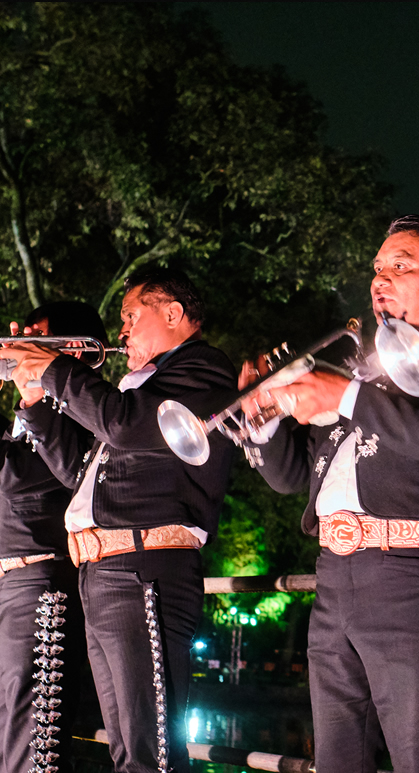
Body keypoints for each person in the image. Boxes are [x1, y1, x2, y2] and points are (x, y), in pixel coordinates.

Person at [240, 215, 419, 773]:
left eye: (401, 265)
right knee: (337, 760)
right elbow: (293, 480)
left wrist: (349, 396)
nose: (381, 278)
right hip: (334, 577)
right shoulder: (361, 365)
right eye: (378, 268)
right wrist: (261, 419)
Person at [8, 267, 237, 773]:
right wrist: (33, 401)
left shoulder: (203, 369)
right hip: (105, 570)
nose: (122, 332)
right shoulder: (139, 386)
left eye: (132, 316)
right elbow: (76, 472)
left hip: (145, 566)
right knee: (128, 749)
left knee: (149, 748)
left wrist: (54, 369)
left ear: (173, 313)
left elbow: (124, 424)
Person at [0, 302, 106, 773]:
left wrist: (31, 394)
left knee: (32, 748)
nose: (21, 353)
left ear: (73, 352)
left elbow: (14, 480)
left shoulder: (85, 419)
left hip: (36, 583)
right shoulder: (25, 417)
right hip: (8, 582)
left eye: (37, 343)